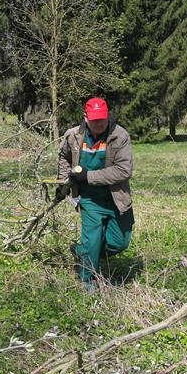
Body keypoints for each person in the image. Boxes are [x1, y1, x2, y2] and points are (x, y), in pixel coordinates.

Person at [58, 97, 134, 290]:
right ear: (85, 117)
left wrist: (88, 176)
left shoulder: (120, 136)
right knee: (92, 239)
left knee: (120, 243)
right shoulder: (73, 135)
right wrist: (64, 183)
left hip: (116, 198)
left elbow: (124, 170)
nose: (99, 124)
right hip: (89, 198)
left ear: (108, 116)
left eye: (102, 119)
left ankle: (83, 251)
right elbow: (64, 157)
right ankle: (88, 280)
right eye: (94, 120)